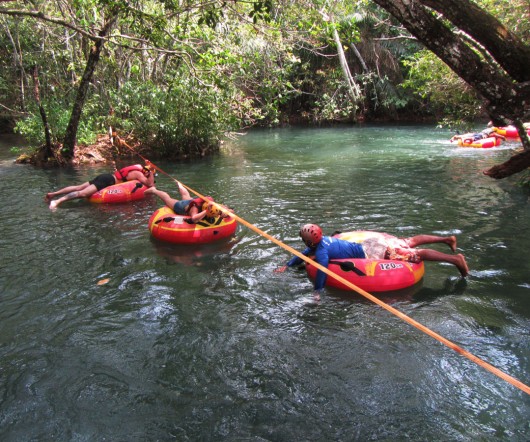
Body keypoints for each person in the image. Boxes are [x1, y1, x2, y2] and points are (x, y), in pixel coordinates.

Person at [275, 224, 469, 299]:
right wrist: (288, 265)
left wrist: (317, 293)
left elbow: (322, 272)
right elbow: (303, 253)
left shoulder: (323, 252)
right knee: (408, 241)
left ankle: (455, 260)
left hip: (373, 252)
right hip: (369, 243)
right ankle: (446, 239)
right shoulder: (322, 241)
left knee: (414, 255)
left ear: (310, 240)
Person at [45, 163, 155, 210]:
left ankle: (53, 194)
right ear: (145, 172)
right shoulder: (139, 174)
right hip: (108, 181)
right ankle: (57, 201)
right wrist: (151, 173)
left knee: (78, 187)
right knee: (83, 193)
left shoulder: (135, 169)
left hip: (105, 176)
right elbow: (149, 184)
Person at [145, 183, 228, 224]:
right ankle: (154, 190)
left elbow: (229, 210)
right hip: (182, 206)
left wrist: (225, 212)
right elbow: (194, 219)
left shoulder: (213, 205)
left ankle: (180, 185)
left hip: (191, 201)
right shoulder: (195, 208)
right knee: (167, 199)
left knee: (186, 196)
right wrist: (206, 212)